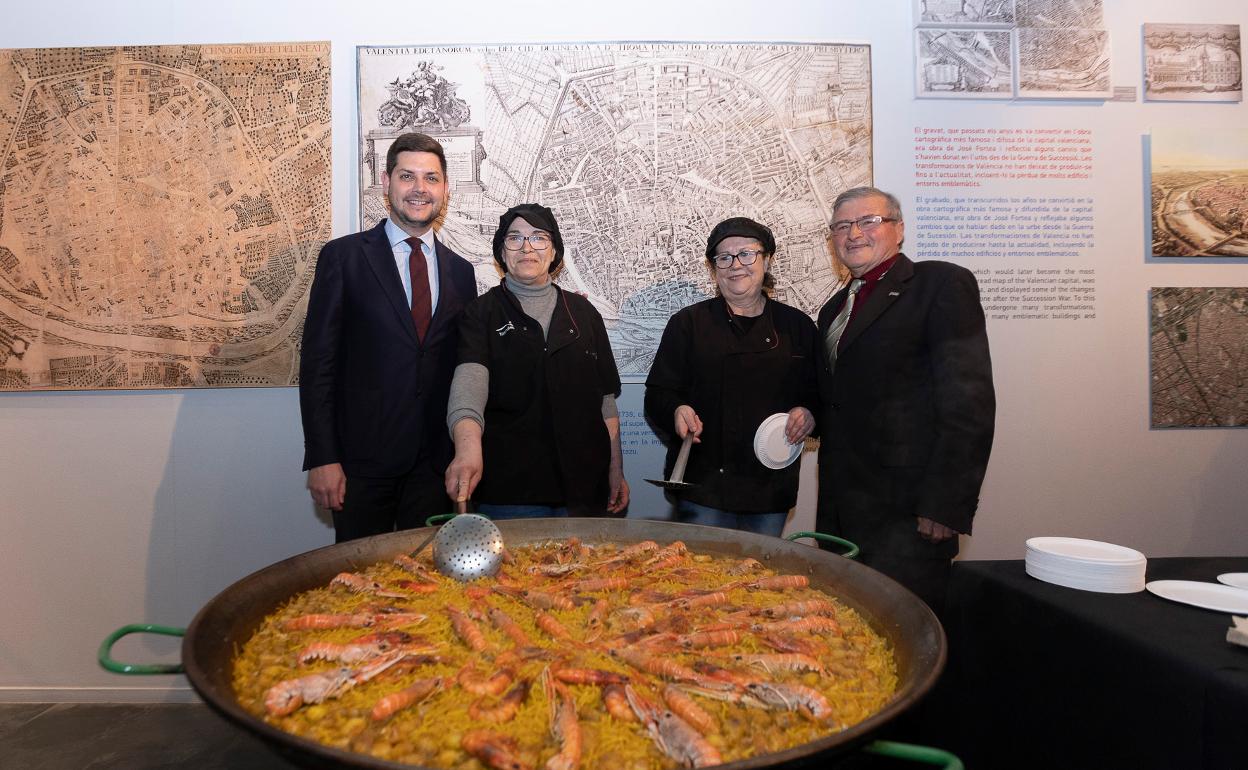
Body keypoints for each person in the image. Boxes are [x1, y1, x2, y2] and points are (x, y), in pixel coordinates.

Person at [815, 186, 995, 612]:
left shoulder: (940, 284)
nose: (853, 234)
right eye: (842, 226)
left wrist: (946, 504)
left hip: (909, 514)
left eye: (868, 221)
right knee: (851, 639)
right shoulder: (834, 310)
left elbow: (968, 404)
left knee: (906, 636)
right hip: (842, 511)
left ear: (898, 230)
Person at [299, 132, 477, 542]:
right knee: (359, 591)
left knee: (429, 591)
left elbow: (463, 369)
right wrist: (323, 456)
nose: (419, 189)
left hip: (435, 467)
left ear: (446, 189)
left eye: (431, 178)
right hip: (359, 466)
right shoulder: (343, 258)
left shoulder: (461, 272)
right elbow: (318, 365)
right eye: (407, 176)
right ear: (386, 182)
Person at [443, 203, 628, 518]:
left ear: (554, 250)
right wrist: (467, 451)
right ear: (502, 252)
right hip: (511, 492)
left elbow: (605, 402)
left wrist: (615, 468)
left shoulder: (585, 313)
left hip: (585, 489)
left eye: (538, 237)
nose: (527, 247)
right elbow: (468, 391)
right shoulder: (481, 314)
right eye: (514, 238)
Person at [644, 217, 818, 537]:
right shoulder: (688, 324)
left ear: (766, 260)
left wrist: (808, 414)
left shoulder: (798, 327)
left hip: (769, 488)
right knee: (699, 580)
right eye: (724, 257)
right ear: (714, 269)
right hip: (703, 488)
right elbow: (658, 393)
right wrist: (676, 410)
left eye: (747, 254)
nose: (735, 265)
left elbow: (818, 396)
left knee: (762, 582)